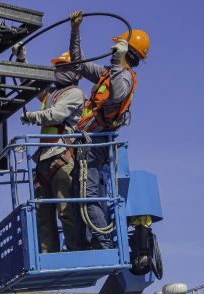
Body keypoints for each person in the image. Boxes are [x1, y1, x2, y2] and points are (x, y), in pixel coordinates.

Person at [69, 10, 150, 250]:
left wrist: (117, 63)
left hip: (96, 142)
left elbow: (117, 96)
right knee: (81, 191)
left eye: (118, 49)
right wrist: (75, 30)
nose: (113, 51)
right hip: (86, 141)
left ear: (126, 52)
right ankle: (89, 240)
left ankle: (103, 243)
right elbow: (77, 62)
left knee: (90, 192)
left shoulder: (124, 77)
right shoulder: (108, 73)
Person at [19, 51, 85, 253]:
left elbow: (56, 115)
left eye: (62, 67)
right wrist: (22, 59)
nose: (58, 71)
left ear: (73, 72)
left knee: (65, 210)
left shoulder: (74, 94)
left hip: (61, 157)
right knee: (43, 213)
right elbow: (31, 85)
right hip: (44, 159)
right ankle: (48, 255)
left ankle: (74, 251)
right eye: (57, 67)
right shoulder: (53, 93)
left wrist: (32, 117)